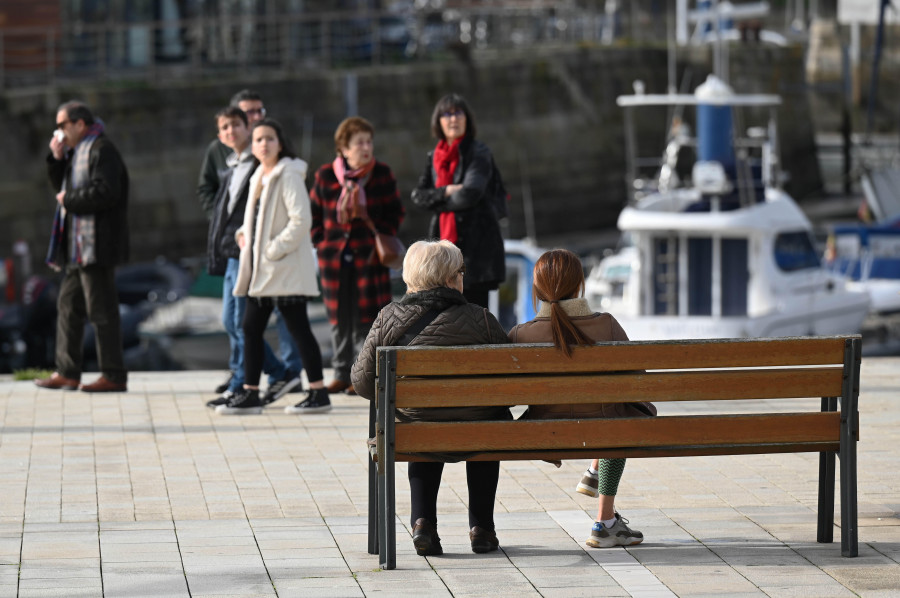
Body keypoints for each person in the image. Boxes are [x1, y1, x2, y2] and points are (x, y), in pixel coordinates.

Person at [351, 240, 510, 557]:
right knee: (486, 425)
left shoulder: (388, 318)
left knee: (418, 428)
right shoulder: (482, 319)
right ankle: (482, 529)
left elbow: (362, 383)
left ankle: (423, 523)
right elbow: (511, 383)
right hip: (480, 433)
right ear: (452, 278)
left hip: (416, 431)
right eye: (461, 271)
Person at [507, 249, 657, 549]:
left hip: (543, 433)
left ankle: (595, 471)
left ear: (537, 290)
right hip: (605, 431)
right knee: (618, 417)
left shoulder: (519, 335)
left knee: (612, 418)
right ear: (579, 286)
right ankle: (605, 518)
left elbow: (504, 397)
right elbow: (638, 386)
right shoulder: (607, 325)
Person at [196, 89, 304, 396]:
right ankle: (253, 376)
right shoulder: (228, 159)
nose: (254, 121)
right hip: (234, 251)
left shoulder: (269, 162)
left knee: (263, 319)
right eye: (228, 125)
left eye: (256, 114)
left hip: (259, 253)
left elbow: (287, 212)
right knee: (235, 321)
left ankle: (269, 376)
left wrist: (264, 243)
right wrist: (225, 226)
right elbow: (212, 195)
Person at [219, 118, 330, 415]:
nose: (263, 144)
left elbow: (301, 221)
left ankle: (318, 393)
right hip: (264, 272)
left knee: (297, 329)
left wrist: (271, 249)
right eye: (258, 139)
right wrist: (244, 235)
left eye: (269, 138)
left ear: (280, 143)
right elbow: (256, 220)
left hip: (283, 269)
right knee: (251, 327)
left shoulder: (288, 174)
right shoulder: (261, 175)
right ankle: (251, 393)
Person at [35, 100, 129, 393]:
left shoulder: (102, 150)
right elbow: (60, 187)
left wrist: (70, 200)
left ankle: (113, 375)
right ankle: (68, 371)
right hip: (77, 246)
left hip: (96, 246)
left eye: (63, 125)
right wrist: (56, 157)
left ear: (80, 124)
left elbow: (106, 192)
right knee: (68, 306)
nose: (59, 131)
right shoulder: (77, 153)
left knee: (101, 311)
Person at [310, 116, 405, 396]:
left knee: (367, 320)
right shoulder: (326, 175)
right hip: (334, 260)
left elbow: (396, 213)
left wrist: (374, 223)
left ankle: (360, 378)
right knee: (339, 319)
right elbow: (314, 214)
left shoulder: (382, 174)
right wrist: (321, 241)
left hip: (370, 258)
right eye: (359, 143)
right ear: (344, 148)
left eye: (368, 141)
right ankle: (339, 373)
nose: (365, 147)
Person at [410, 93, 505, 309]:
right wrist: (447, 190)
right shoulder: (433, 156)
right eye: (447, 114)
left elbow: (471, 193)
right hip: (443, 252)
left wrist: (438, 201)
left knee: (475, 317)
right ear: (438, 121)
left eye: (458, 113)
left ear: (467, 119)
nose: (453, 119)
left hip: (477, 253)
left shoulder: (479, 152)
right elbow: (418, 196)